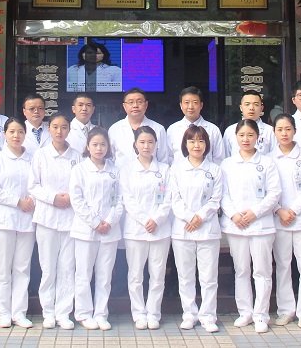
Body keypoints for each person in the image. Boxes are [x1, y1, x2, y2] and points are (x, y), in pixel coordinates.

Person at [220, 119, 282, 334]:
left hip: (261, 224)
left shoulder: (267, 163)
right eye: (241, 135)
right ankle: (245, 312)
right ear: (235, 138)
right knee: (241, 270)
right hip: (236, 225)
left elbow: (274, 193)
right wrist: (234, 215)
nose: (245, 139)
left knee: (262, 271)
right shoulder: (227, 164)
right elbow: (223, 194)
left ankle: (261, 314)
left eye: (250, 135)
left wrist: (255, 212)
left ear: (258, 137)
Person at [167, 124, 223, 333]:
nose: (196, 145)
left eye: (200, 140)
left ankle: (208, 316)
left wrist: (201, 217)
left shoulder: (215, 170)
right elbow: (175, 199)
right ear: (185, 144)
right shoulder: (176, 169)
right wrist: (191, 217)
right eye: (192, 141)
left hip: (208, 230)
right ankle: (189, 314)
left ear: (207, 144)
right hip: (183, 230)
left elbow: (216, 198)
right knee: (185, 276)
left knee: (209, 277)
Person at [30, 113, 81, 330]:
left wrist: (70, 197)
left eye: (64, 127)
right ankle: (48, 312)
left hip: (71, 219)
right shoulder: (40, 155)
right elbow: (33, 186)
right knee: (48, 268)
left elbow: (82, 184)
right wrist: (53, 198)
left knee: (67, 268)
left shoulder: (77, 156)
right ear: (49, 129)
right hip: (46, 218)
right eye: (55, 127)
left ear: (69, 130)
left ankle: (63, 312)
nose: (59, 131)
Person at [120, 125, 172, 330]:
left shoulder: (165, 170)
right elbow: (126, 198)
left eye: (150, 142)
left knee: (157, 274)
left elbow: (169, 198)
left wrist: (156, 219)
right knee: (135, 274)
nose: (146, 146)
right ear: (135, 144)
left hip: (160, 229)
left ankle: (153, 312)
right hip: (135, 230)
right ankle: (139, 313)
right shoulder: (126, 169)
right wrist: (144, 219)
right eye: (142, 142)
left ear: (156, 144)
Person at [0, 118, 36, 329]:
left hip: (26, 220)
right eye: (12, 132)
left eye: (20, 132)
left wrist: (31, 200)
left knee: (22, 268)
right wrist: (17, 202)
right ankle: (4, 312)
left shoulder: (33, 159)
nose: (16, 136)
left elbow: (38, 185)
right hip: (2, 221)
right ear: (5, 134)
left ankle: (19, 312)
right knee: (3, 269)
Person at [70, 126, 123, 330]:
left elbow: (120, 200)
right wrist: (94, 222)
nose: (99, 148)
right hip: (86, 230)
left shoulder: (115, 170)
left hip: (109, 230)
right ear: (87, 146)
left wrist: (109, 221)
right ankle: (83, 313)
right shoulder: (79, 170)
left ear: (108, 147)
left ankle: (101, 313)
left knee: (104, 275)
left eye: (103, 144)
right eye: (95, 144)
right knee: (83, 274)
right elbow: (77, 200)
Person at [270, 114, 301, 328]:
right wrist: (280, 211)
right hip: (279, 220)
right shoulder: (269, 158)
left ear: (295, 131)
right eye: (280, 129)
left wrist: (293, 211)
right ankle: (285, 310)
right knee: (283, 266)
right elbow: (267, 191)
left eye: (288, 129)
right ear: (274, 132)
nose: (284, 133)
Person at [109, 88, 170, 168]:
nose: (135, 106)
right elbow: (111, 159)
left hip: (151, 174)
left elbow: (163, 159)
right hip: (122, 175)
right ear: (124, 106)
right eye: (131, 102)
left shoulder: (158, 129)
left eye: (139, 102)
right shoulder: (114, 129)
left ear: (146, 105)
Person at [167, 87, 226, 164]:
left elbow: (219, 159)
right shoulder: (172, 129)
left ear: (201, 105)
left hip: (207, 171)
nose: (190, 107)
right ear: (181, 105)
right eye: (186, 102)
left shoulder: (213, 129)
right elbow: (169, 157)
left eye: (195, 102)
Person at [223, 90, 274, 158]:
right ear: (241, 108)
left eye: (256, 104)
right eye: (247, 104)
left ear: (261, 108)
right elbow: (226, 157)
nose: (251, 108)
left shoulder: (270, 131)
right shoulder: (230, 131)